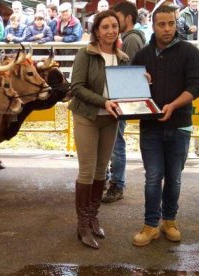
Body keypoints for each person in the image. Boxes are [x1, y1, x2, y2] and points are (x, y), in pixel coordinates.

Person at [131, 5, 199, 247]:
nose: (167, 29)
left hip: (180, 125)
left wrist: (173, 105)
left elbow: (196, 87)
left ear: (176, 23)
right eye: (162, 24)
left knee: (174, 178)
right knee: (153, 177)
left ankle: (169, 221)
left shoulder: (190, 53)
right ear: (153, 26)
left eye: (171, 23)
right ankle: (151, 225)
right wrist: (141, 84)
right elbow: (130, 93)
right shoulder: (141, 56)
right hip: (150, 127)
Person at [68, 10, 129, 249]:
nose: (111, 31)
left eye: (114, 26)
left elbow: (125, 89)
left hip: (110, 120)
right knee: (87, 170)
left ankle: (93, 217)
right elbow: (77, 87)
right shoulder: (86, 53)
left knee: (101, 170)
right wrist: (103, 102)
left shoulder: (122, 57)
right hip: (87, 116)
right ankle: (82, 225)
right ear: (96, 31)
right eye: (105, 27)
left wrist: (142, 82)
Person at [103, 0, 146, 204]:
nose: (114, 24)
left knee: (115, 142)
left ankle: (117, 183)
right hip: (120, 96)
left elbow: (126, 73)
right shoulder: (131, 38)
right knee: (114, 141)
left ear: (128, 18)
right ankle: (112, 179)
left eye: (117, 19)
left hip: (121, 97)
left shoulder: (130, 40)